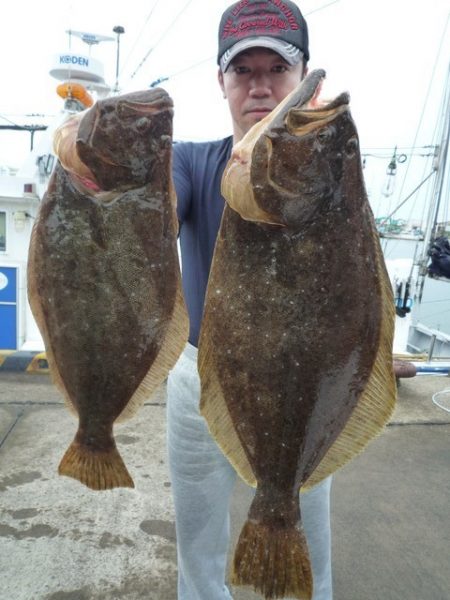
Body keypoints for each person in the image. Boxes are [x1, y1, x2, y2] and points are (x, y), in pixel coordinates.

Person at [167, 1, 333, 599]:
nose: (260, 86)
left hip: (308, 385)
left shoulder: (333, 172)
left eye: (276, 69)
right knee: (199, 541)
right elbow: (160, 201)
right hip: (199, 374)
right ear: (222, 82)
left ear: (304, 78)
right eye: (243, 71)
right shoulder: (190, 161)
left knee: (306, 536)